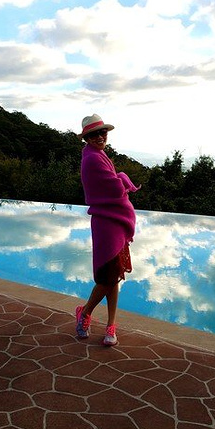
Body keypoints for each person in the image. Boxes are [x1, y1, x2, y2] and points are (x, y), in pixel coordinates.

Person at [75, 114, 140, 346]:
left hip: (113, 221)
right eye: (94, 134)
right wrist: (122, 178)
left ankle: (111, 325)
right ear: (87, 138)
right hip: (106, 223)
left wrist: (118, 178)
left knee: (114, 275)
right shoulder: (92, 159)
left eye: (103, 132)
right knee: (107, 276)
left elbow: (110, 185)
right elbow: (114, 188)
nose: (100, 136)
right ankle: (84, 312)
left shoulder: (98, 154)